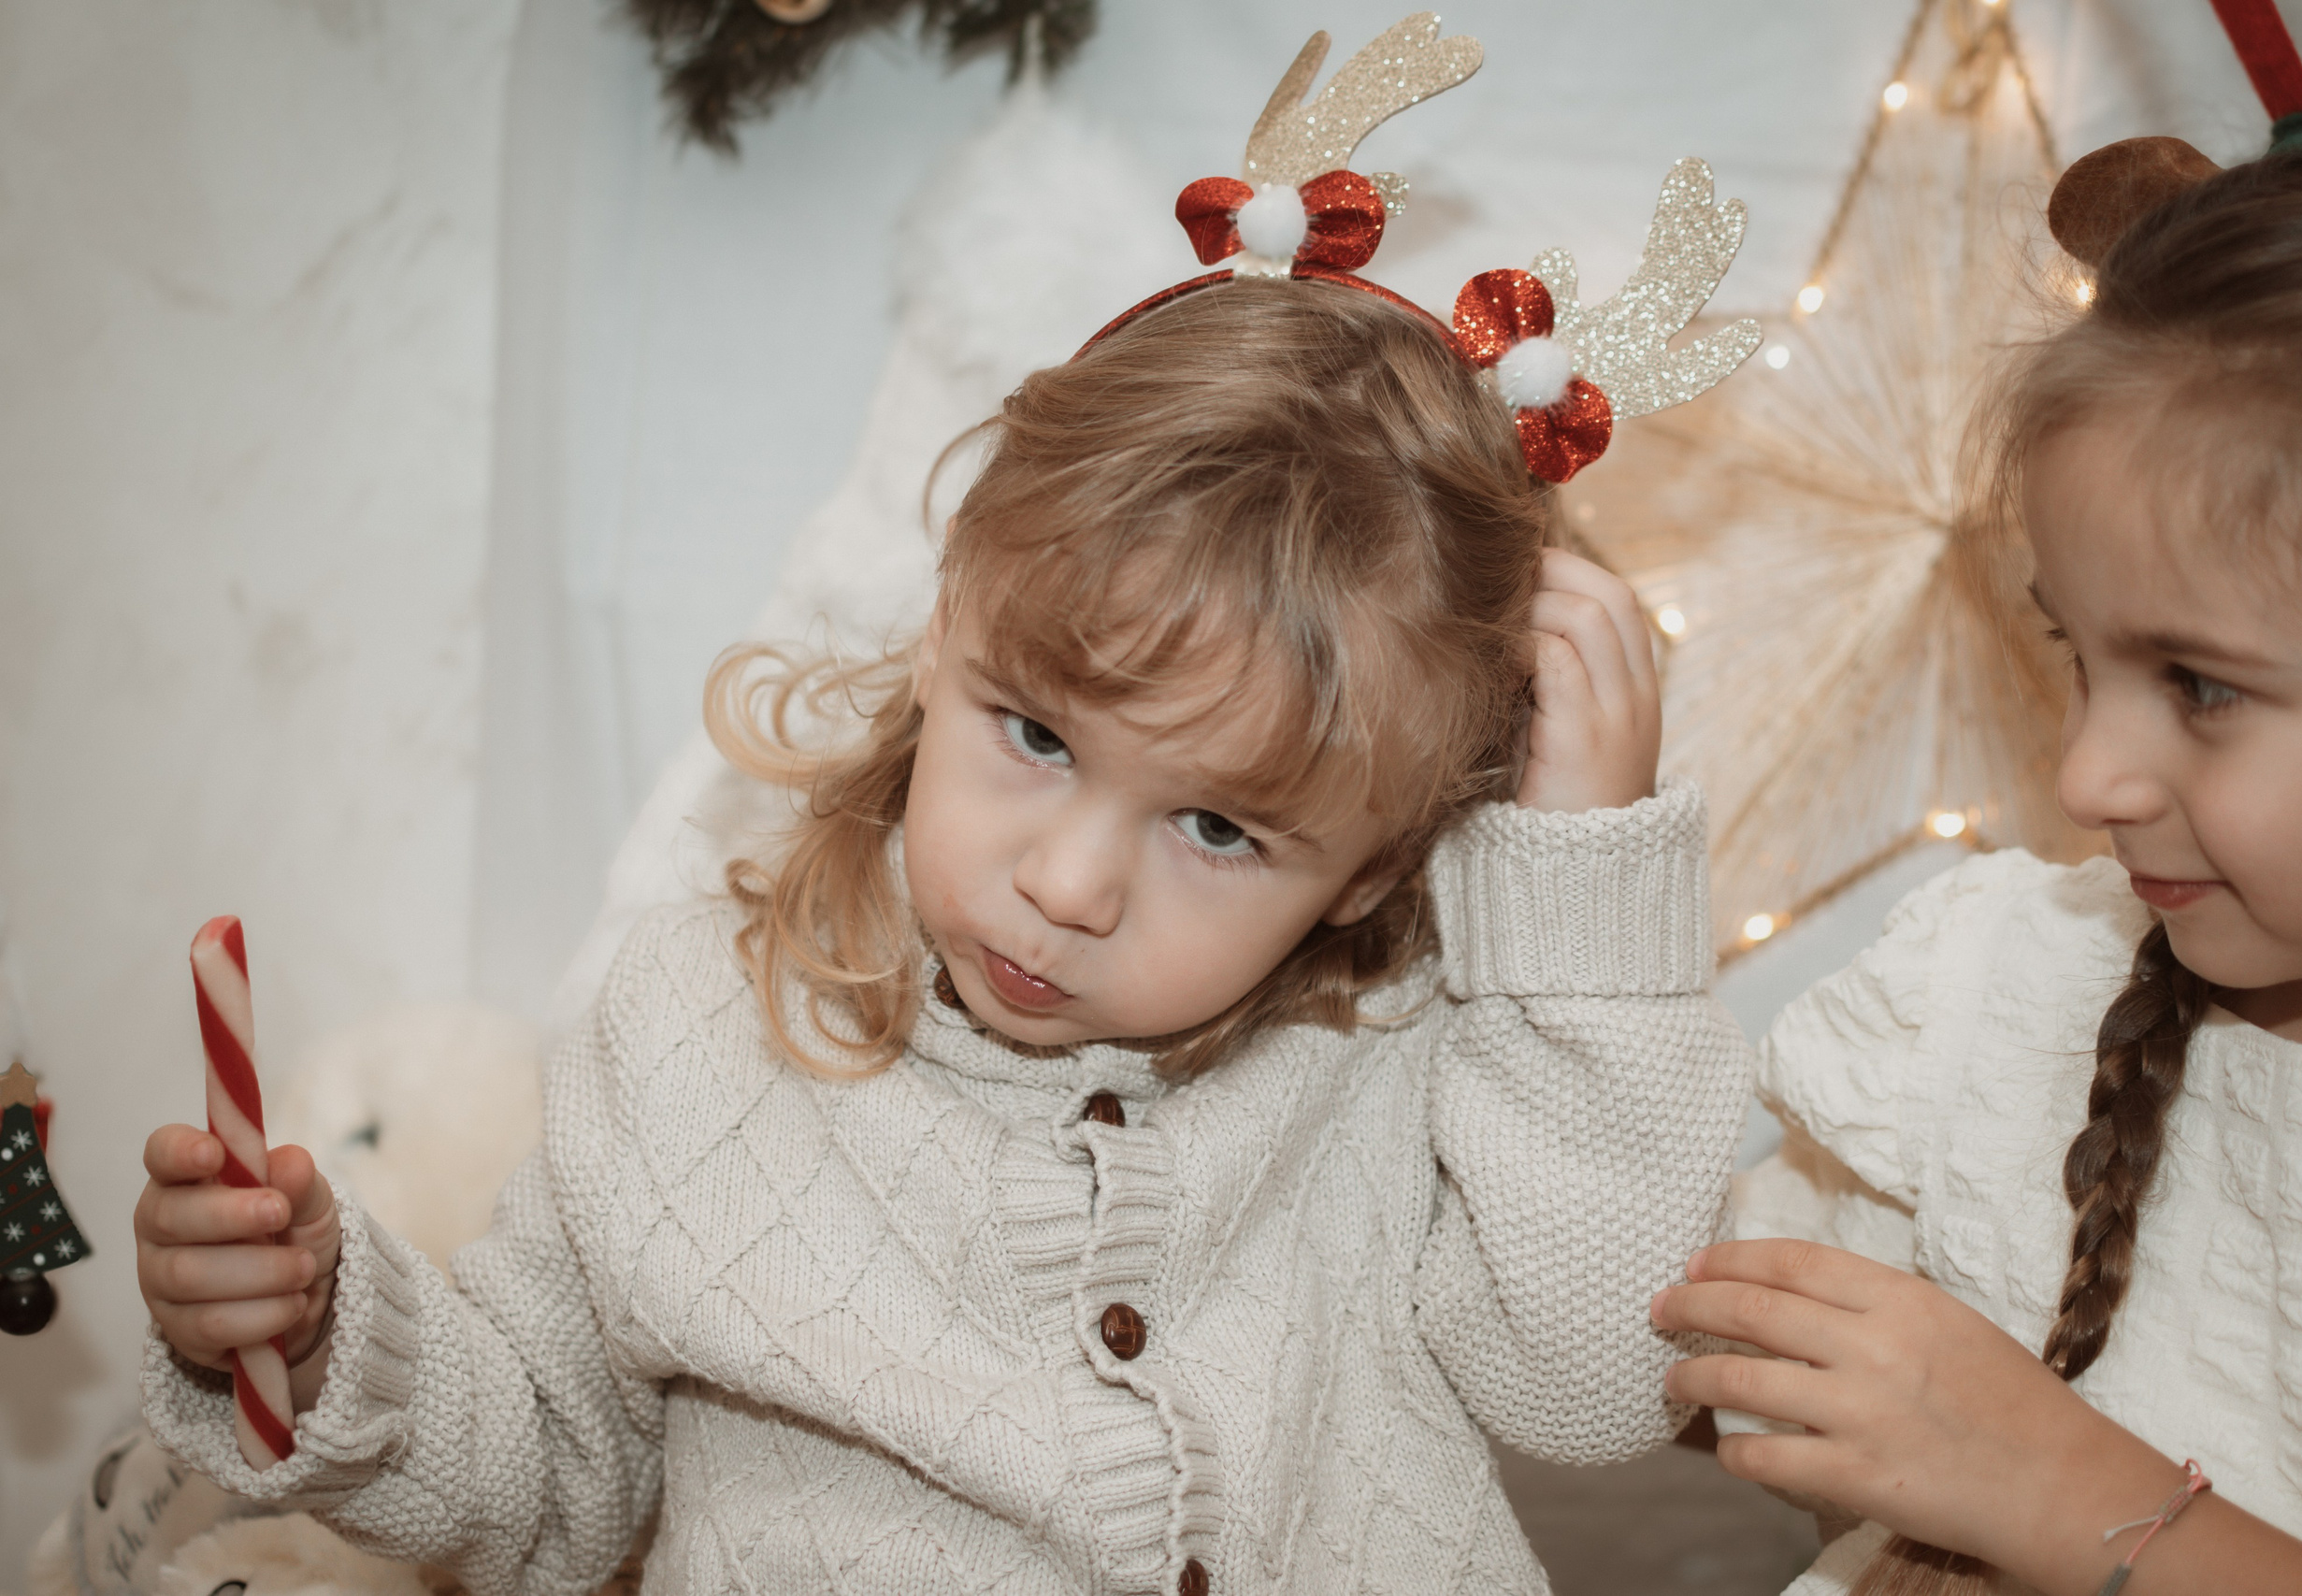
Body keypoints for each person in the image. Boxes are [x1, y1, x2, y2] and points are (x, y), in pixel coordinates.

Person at [125, 93, 1762, 1589]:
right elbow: (551, 1482)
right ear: (942, 627)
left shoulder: (1409, 1050)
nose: (1066, 883)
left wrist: (1583, 913)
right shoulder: (693, 1035)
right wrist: (324, 1334)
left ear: (1379, 869)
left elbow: (1595, 1386)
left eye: (1216, 826)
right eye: (1034, 735)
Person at [1649, 146, 2302, 1596]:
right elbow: (1662, 1351)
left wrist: (2037, 1476)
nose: (2085, 777)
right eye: (2078, 651)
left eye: (2201, 685)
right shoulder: (2004, 985)